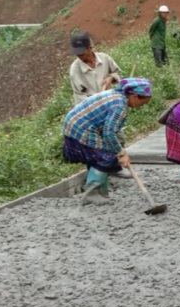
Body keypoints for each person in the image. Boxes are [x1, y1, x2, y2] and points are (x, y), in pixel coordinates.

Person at [62, 78, 153, 205]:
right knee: (105, 158)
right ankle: (91, 194)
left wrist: (118, 151)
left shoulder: (118, 96)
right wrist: (121, 153)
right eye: (142, 103)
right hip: (81, 128)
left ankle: (102, 193)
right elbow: (109, 133)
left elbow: (111, 131)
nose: (141, 106)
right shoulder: (120, 105)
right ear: (135, 96)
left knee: (98, 157)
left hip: (75, 124)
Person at [69, 32, 132, 178]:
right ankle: (94, 178)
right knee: (94, 144)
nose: (79, 56)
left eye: (82, 53)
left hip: (109, 108)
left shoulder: (105, 59)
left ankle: (114, 170)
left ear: (89, 48)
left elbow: (118, 73)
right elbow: (81, 96)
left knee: (116, 137)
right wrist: (98, 105)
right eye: (76, 53)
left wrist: (111, 77)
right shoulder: (75, 69)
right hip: (90, 112)